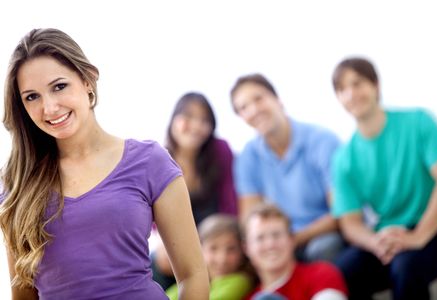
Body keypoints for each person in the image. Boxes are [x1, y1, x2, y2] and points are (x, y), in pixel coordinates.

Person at [0, 28, 209, 299]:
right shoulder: (17, 184)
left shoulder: (149, 162)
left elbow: (193, 274)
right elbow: (23, 294)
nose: (49, 108)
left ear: (88, 80)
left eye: (59, 86)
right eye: (32, 96)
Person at [330, 57, 437, 300]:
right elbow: (350, 223)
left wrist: (418, 237)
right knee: (343, 271)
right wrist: (375, 243)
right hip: (388, 235)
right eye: (343, 89)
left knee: (406, 267)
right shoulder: (344, 157)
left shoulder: (418, 121)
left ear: (376, 85)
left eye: (358, 83)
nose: (352, 93)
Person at [230, 73, 345, 262]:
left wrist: (293, 238)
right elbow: (249, 218)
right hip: (282, 238)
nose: (254, 110)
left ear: (277, 100)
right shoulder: (248, 157)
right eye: (244, 107)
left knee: (322, 248)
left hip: (324, 233)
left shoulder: (322, 141)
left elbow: (340, 211)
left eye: (259, 99)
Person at [152, 92, 238, 289]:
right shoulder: (157, 160)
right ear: (173, 120)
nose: (196, 126)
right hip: (179, 246)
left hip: (218, 242)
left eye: (204, 120)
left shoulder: (219, 151)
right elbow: (155, 222)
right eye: (188, 116)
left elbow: (230, 207)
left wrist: (212, 249)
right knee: (155, 263)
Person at [243, 203, 348, 300]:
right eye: (260, 238)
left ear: (292, 240)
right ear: (246, 248)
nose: (270, 244)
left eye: (276, 235)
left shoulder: (321, 275)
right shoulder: (247, 297)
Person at [166, 214, 253, 300]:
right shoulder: (196, 280)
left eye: (231, 249)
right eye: (213, 248)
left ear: (243, 251)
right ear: (199, 250)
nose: (222, 259)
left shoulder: (241, 282)